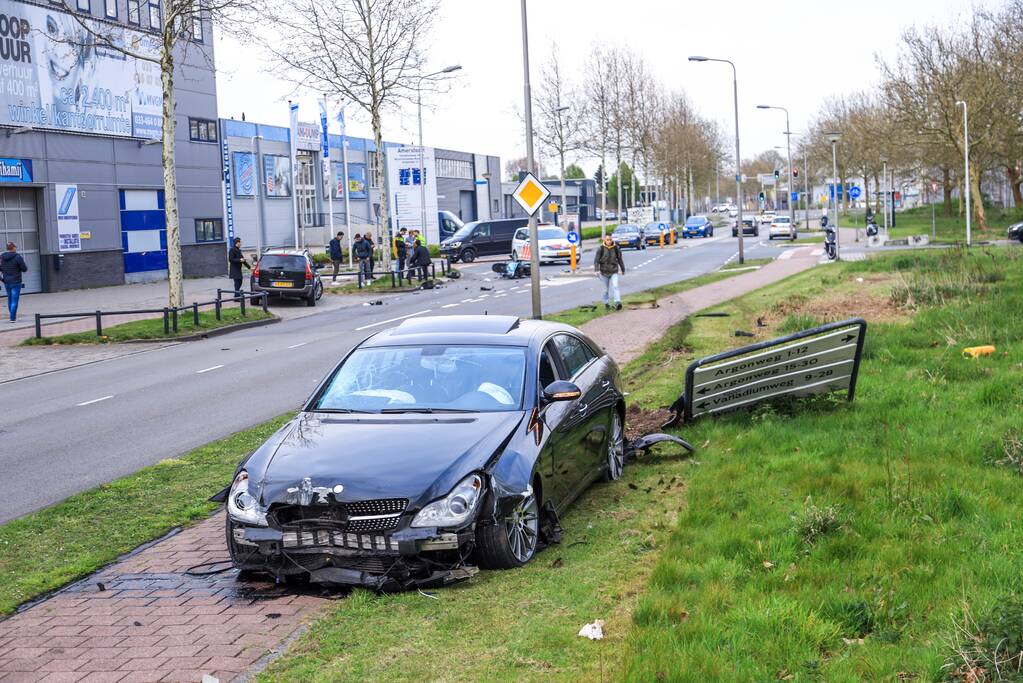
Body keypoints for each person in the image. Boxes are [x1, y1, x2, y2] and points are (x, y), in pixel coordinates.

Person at [593, 234, 625, 310]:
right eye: (607, 240)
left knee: (615, 286)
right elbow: (596, 261)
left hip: (614, 271)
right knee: (605, 290)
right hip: (604, 272)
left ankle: (617, 302)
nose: (609, 241)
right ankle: (606, 303)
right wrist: (596, 270)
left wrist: (623, 269)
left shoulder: (616, 248)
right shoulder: (600, 249)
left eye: (610, 240)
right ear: (604, 240)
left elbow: (620, 259)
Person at [1, 242, 28, 323]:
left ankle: (12, 316)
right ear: (13, 248)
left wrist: (2, 279)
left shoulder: (2, 257)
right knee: (14, 300)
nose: (16, 248)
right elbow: (24, 269)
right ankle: (12, 318)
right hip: (16, 282)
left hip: (7, 282)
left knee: (10, 299)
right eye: (15, 247)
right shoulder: (17, 257)